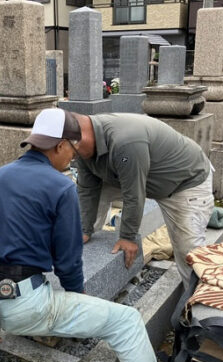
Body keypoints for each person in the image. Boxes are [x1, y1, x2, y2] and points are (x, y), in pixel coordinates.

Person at [0, 108, 179, 362]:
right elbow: (67, 264)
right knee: (128, 322)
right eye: (73, 151)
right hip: (24, 309)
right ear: (61, 146)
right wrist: (76, 300)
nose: (74, 159)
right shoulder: (61, 187)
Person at [71, 112, 214, 283]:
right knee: (97, 195)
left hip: (185, 182)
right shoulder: (81, 149)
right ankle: (88, 238)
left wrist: (127, 237)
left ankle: (197, 301)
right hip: (144, 176)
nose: (70, 157)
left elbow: (134, 194)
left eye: (68, 151)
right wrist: (84, 229)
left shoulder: (125, 141)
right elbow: (87, 190)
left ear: (79, 140)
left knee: (188, 252)